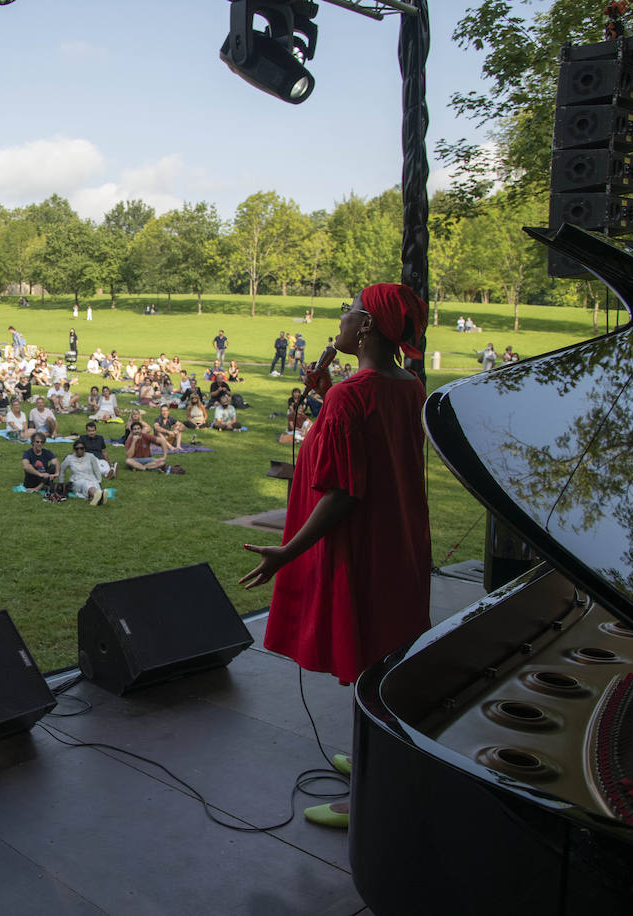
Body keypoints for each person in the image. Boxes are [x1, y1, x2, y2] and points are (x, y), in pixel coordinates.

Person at [240, 282, 431, 830]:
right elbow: (366, 442)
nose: (340, 323)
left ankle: (372, 792)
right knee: (387, 652)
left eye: (348, 314)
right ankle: (373, 749)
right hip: (400, 542)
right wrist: (326, 398)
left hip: (363, 544)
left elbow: (345, 490)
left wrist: (288, 551)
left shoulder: (356, 394)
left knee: (371, 655)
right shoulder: (407, 386)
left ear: (367, 326)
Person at [62, 440, 106, 505]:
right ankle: (99, 497)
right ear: (74, 450)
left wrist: (99, 481)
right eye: (77, 448)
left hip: (91, 478)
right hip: (76, 481)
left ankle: (95, 498)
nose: (79, 450)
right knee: (86, 483)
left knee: (94, 484)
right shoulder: (69, 458)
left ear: (85, 449)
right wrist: (60, 484)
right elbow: (62, 470)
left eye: (81, 448)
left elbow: (96, 470)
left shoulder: (91, 456)